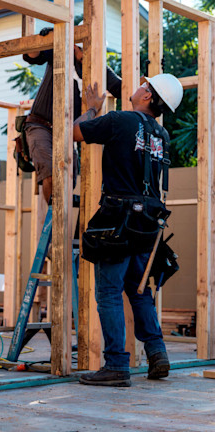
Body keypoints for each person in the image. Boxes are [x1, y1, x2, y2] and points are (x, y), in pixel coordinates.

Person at [73, 73, 183, 387]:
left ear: (148, 96)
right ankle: (157, 352)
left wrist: (92, 108)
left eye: (143, 86)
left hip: (118, 218)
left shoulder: (120, 121)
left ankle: (116, 366)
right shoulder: (162, 134)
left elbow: (74, 133)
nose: (137, 87)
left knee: (108, 293)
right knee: (140, 292)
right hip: (148, 222)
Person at [23, 27, 122, 203]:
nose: (88, 56)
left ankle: (63, 221)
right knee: (52, 175)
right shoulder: (60, 52)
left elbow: (121, 88)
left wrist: (148, 84)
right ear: (76, 46)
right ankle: (55, 223)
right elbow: (33, 55)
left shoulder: (99, 69)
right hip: (40, 125)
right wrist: (42, 39)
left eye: (94, 51)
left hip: (66, 132)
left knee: (68, 182)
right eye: (85, 50)